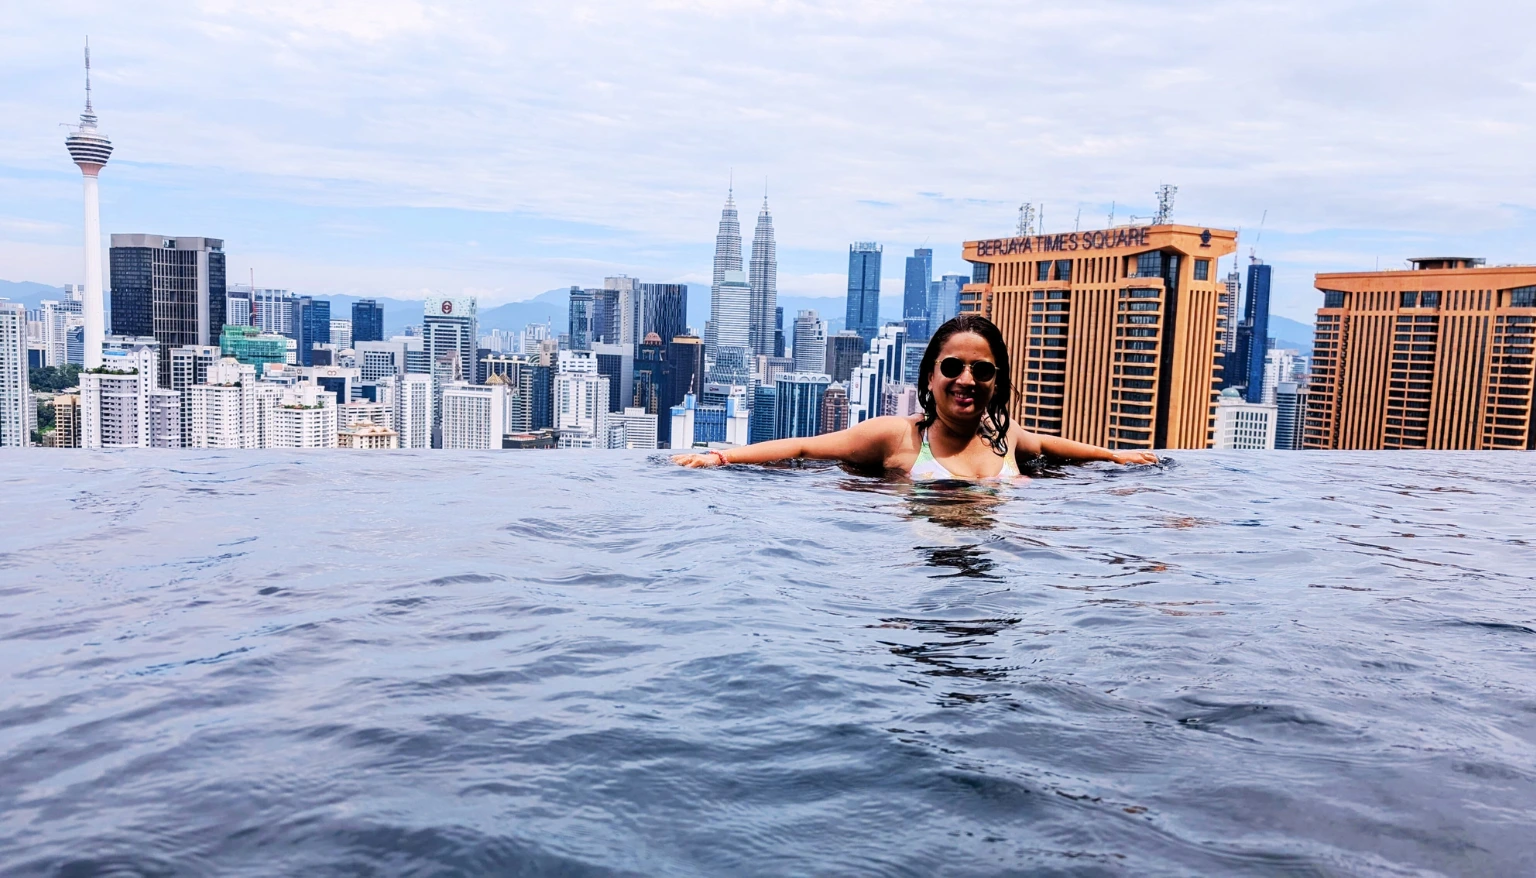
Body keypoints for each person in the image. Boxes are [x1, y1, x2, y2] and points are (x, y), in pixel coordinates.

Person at [672, 315, 1159, 478]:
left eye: (982, 370)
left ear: (997, 381)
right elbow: (804, 447)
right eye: (952, 367)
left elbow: (1051, 445)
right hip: (923, 580)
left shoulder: (1004, 436)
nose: (966, 379)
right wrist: (720, 456)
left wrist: (1116, 458)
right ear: (929, 377)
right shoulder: (898, 436)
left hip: (995, 578)